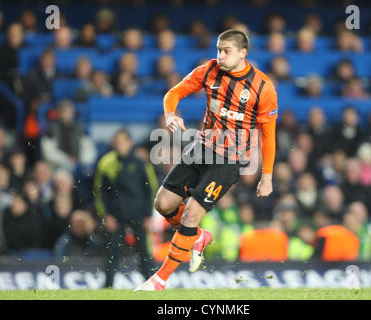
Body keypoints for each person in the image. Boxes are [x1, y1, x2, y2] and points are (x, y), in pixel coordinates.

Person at [135, 29, 278, 291]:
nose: (220, 56)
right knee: (163, 204)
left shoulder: (263, 88)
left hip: (231, 158)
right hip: (202, 147)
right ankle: (198, 237)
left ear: (243, 53)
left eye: (227, 51)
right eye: (218, 50)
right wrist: (169, 115)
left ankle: (159, 280)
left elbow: (269, 135)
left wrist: (266, 176)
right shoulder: (209, 71)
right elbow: (173, 93)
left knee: (191, 215)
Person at [94, 130, 159, 288]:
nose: (120, 145)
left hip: (139, 214)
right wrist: (106, 215)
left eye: (123, 141)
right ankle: (108, 285)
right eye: (117, 142)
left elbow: (150, 189)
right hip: (115, 216)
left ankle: (152, 283)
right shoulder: (106, 164)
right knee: (112, 252)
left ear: (130, 143)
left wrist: (149, 214)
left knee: (144, 251)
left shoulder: (141, 163)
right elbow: (100, 191)